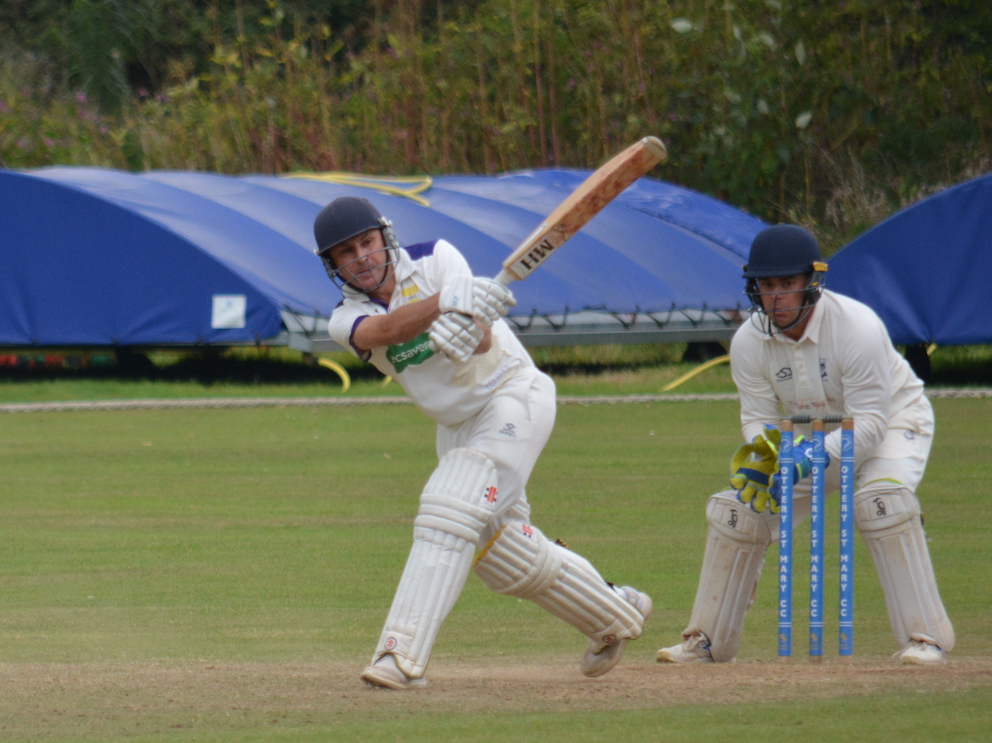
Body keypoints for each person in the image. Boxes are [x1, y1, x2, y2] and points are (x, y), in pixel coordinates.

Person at [313, 196, 651, 690]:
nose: (361, 257)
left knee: (448, 508)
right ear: (333, 265)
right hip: (455, 428)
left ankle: (400, 656)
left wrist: (465, 315)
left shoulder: (437, 259)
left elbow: (485, 341)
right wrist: (444, 306)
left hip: (511, 394)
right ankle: (614, 610)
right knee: (501, 556)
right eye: (347, 252)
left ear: (383, 238)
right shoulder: (344, 319)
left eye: (366, 242)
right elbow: (384, 330)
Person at [655, 223, 954, 666]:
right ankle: (707, 642)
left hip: (893, 420)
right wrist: (766, 456)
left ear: (811, 283)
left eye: (787, 284)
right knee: (738, 509)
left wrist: (804, 460)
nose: (776, 297)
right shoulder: (748, 341)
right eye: (767, 285)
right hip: (807, 434)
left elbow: (870, 422)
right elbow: (757, 417)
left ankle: (927, 639)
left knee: (880, 502)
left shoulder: (857, 327)